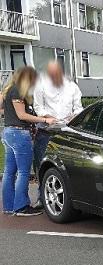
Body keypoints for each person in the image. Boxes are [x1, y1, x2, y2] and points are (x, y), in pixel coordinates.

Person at [2, 67, 57, 216]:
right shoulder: (18, 90)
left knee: (9, 172)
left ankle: (8, 206)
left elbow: (6, 111)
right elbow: (22, 115)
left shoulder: (7, 91)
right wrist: (45, 119)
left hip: (8, 132)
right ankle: (21, 207)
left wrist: (9, 114)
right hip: (19, 134)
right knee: (23, 172)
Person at [32, 61, 83, 209]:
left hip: (67, 131)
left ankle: (71, 198)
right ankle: (42, 197)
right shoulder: (40, 86)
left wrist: (72, 117)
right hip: (46, 132)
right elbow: (38, 107)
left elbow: (78, 108)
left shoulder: (72, 87)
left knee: (69, 165)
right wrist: (47, 116)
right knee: (42, 165)